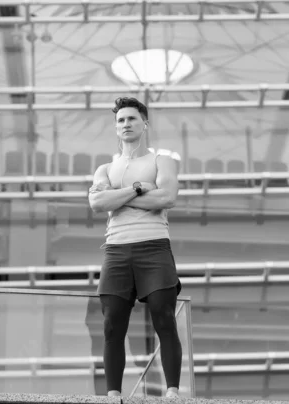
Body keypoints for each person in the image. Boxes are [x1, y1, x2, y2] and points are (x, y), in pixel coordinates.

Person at [88, 97, 182, 398]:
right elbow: (96, 203)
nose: (125, 124)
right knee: (112, 324)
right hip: (116, 250)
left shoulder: (161, 161)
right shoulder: (105, 168)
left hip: (154, 247)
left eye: (131, 119)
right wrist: (139, 188)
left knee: (163, 316)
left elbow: (166, 198)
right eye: (120, 121)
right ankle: (114, 394)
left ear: (145, 124)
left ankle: (172, 392)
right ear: (116, 129)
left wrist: (118, 196)